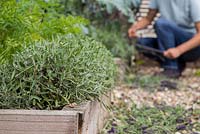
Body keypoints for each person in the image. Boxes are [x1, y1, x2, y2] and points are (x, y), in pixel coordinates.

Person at [128, 0, 200, 78]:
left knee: (162, 24)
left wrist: (179, 50)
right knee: (141, 44)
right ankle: (177, 64)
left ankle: (171, 68)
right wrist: (134, 28)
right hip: (169, 42)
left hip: (191, 47)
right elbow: (148, 19)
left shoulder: (193, 2)